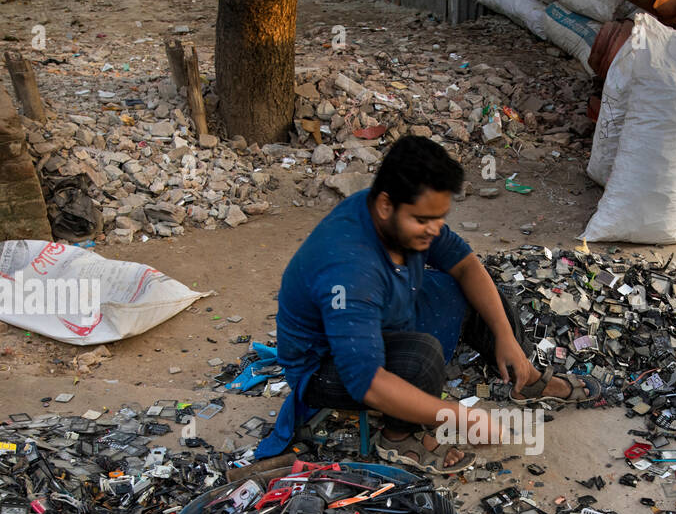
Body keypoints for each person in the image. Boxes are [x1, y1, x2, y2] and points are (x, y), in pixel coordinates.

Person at [253, 135, 598, 474]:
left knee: (481, 292)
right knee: (421, 358)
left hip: (390, 305)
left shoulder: (397, 214)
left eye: (440, 217)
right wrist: (458, 415)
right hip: (324, 363)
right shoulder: (347, 270)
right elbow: (366, 382)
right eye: (422, 220)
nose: (434, 230)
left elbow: (465, 264)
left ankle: (526, 376)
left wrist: (506, 338)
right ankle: (399, 436)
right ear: (386, 206)